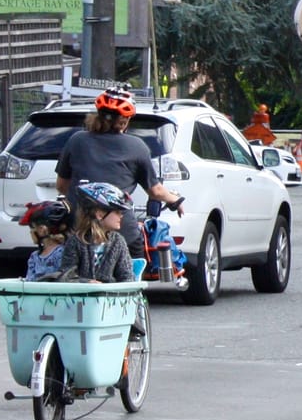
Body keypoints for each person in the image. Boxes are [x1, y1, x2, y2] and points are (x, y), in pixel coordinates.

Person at [56, 89, 183, 254]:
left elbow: (62, 186)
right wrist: (175, 200)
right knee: (136, 260)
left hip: (79, 229)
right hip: (121, 230)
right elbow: (156, 191)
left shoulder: (76, 140)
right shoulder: (137, 146)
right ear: (125, 120)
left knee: (70, 270)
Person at [57, 182, 138, 284]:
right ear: (99, 214)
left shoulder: (118, 242)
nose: (121, 216)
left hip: (110, 297)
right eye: (117, 212)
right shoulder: (76, 241)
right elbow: (66, 276)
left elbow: (127, 277)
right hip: (82, 298)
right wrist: (86, 283)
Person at [20, 200, 71, 281]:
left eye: (32, 227)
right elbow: (29, 280)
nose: (31, 232)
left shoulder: (61, 253)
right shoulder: (34, 256)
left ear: (42, 230)